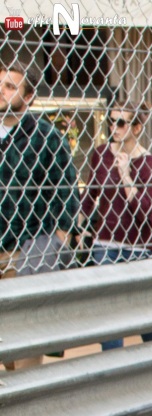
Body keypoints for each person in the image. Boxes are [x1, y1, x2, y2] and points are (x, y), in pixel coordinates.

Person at [0, 64, 78, 370]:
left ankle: (30, 409)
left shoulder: (46, 136)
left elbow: (67, 191)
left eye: (10, 86)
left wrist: (57, 241)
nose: (1, 91)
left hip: (27, 249)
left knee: (26, 341)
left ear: (29, 96)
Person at [83, 102, 152, 350]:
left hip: (141, 247)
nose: (114, 127)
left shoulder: (149, 163)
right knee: (110, 313)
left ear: (137, 127)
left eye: (121, 122)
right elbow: (90, 194)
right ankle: (113, 371)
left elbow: (146, 215)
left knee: (146, 317)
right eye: (112, 121)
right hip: (106, 243)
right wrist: (81, 227)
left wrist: (126, 174)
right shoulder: (100, 154)